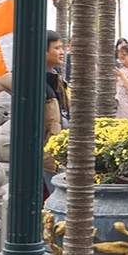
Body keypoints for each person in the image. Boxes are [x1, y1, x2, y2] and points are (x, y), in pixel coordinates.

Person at [45, 30, 70, 195]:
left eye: (62, 48)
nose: (62, 52)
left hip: (59, 154)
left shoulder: (56, 80)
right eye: (57, 48)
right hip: (46, 159)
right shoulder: (38, 83)